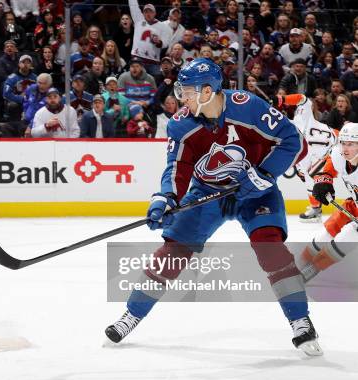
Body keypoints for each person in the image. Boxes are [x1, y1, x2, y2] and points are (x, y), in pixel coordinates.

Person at [104, 58, 323, 357]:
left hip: (255, 191)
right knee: (173, 250)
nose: (183, 97)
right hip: (208, 193)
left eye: (189, 91)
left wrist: (265, 174)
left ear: (208, 90)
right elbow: (177, 167)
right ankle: (132, 314)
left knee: (269, 246)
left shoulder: (250, 107)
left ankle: (300, 320)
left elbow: (295, 142)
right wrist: (165, 198)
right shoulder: (181, 123)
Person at [297, 123, 358, 283]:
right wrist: (323, 181)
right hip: (354, 205)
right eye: (343, 143)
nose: (345, 148)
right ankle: (297, 265)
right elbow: (324, 169)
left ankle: (312, 270)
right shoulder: (339, 155)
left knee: (344, 239)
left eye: (350, 144)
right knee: (325, 234)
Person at [279, 94, 338, 223]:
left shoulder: (301, 118)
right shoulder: (297, 126)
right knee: (310, 179)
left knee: (310, 178)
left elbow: (302, 98)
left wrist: (283, 99)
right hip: (329, 149)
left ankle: (316, 209)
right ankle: (316, 209)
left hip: (333, 147)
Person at [128, 1, 170, 76]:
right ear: (143, 13)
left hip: (153, 61)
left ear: (155, 13)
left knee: (155, 81)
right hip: (138, 58)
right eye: (146, 12)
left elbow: (166, 43)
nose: (148, 14)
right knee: (138, 81)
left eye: (150, 11)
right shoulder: (139, 20)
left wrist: (159, 42)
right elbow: (133, 6)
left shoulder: (162, 26)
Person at [2, 54, 37, 121]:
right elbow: (6, 94)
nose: (26, 64)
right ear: (19, 64)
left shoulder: (35, 78)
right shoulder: (12, 78)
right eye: (23, 62)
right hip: (17, 102)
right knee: (13, 105)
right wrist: (22, 99)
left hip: (31, 101)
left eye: (28, 62)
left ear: (31, 65)